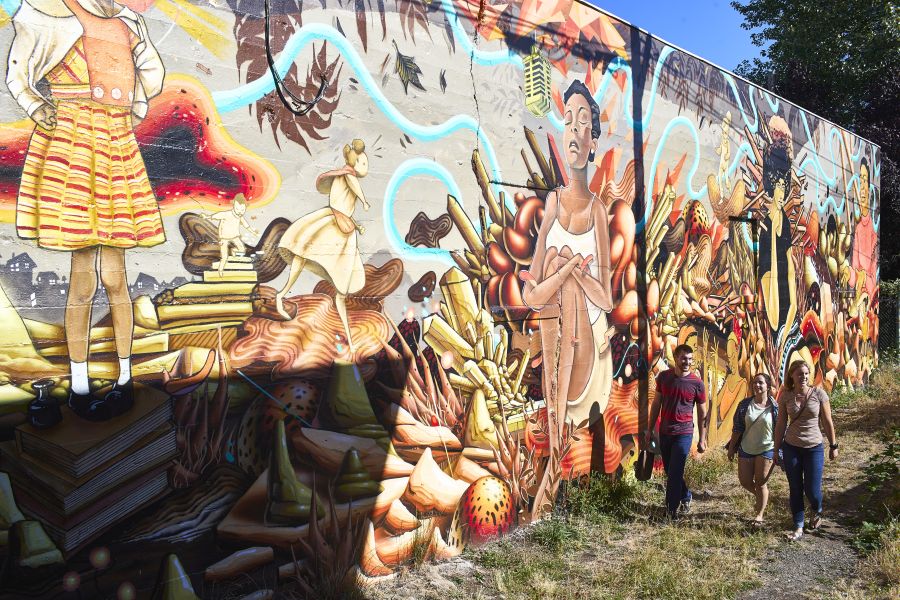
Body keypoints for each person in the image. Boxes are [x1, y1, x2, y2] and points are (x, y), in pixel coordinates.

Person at [7, 0, 165, 424]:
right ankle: (79, 386)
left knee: (116, 280)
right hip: (73, 145)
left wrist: (134, 106)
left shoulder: (130, 23)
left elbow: (150, 71)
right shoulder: (49, 14)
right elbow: (18, 74)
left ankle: (124, 379)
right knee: (82, 280)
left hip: (114, 145)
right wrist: (38, 107)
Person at [520, 79, 614, 514]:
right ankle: (546, 495)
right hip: (553, 331)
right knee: (559, 264)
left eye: (583, 123)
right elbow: (533, 290)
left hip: (587, 349)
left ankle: (549, 495)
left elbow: (608, 299)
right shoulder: (553, 204)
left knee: (566, 273)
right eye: (568, 120)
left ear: (593, 141)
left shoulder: (597, 210)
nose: (574, 131)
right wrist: (567, 271)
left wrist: (571, 275)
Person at [275, 139, 370, 352]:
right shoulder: (347, 176)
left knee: (339, 287)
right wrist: (363, 200)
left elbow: (344, 205)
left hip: (343, 229)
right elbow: (352, 185)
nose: (365, 168)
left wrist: (356, 223)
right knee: (305, 253)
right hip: (335, 226)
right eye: (363, 163)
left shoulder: (344, 178)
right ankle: (282, 295)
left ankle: (349, 338)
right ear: (355, 162)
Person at [772, 360, 839, 542]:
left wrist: (833, 445)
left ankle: (816, 509)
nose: (803, 377)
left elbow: (827, 421)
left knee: (812, 489)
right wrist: (777, 449)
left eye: (806, 373)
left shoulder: (819, 394)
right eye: (799, 374)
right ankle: (798, 525)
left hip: (814, 447)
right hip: (791, 446)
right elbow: (780, 425)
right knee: (795, 487)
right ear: (792, 376)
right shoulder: (785, 395)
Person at [644, 344, 708, 519]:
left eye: (690, 359)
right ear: (675, 357)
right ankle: (686, 495)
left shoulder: (697, 383)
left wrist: (702, 438)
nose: (687, 362)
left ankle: (670, 512)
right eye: (683, 358)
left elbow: (703, 413)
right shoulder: (664, 378)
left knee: (674, 472)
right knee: (671, 471)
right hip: (665, 432)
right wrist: (649, 429)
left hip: (684, 433)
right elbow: (656, 404)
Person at [727, 373, 778, 526]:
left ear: (768, 386)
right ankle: (762, 498)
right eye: (755, 382)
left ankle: (759, 514)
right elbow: (737, 428)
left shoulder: (775, 407)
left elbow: (780, 429)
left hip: (766, 448)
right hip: (746, 448)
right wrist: (731, 448)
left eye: (760, 383)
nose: (757, 385)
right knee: (745, 481)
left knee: (761, 481)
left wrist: (779, 450)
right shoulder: (744, 405)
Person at [202, 193, 259, 275]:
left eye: (242, 210)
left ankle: (233, 251)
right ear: (234, 206)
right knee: (224, 257)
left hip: (235, 237)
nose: (240, 212)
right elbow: (217, 215)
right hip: (224, 238)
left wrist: (254, 233)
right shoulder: (227, 214)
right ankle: (220, 271)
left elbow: (246, 226)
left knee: (242, 249)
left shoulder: (240, 217)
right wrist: (207, 217)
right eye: (238, 209)